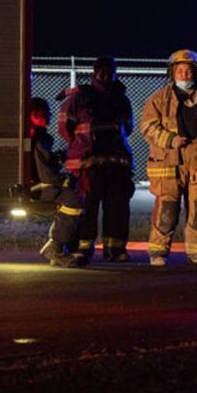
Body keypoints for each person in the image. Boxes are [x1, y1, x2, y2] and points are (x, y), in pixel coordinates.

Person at [141, 49, 197, 267]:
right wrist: (170, 139)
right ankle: (158, 251)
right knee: (168, 209)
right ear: (172, 73)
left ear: (196, 73)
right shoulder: (158, 99)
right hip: (170, 158)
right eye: (181, 71)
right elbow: (147, 127)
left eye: (189, 71)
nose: (185, 75)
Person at [58, 56, 134, 262]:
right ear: (94, 72)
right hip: (87, 164)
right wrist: (82, 145)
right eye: (101, 70)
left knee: (117, 206)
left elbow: (128, 127)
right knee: (87, 207)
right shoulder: (79, 98)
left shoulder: (121, 98)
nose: (105, 75)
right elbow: (65, 129)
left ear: (115, 72)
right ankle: (83, 248)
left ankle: (115, 249)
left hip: (115, 163)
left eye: (109, 70)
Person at [31, 98, 87, 268]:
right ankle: (55, 247)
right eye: (44, 112)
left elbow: (46, 164)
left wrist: (59, 157)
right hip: (37, 188)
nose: (49, 115)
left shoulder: (37, 136)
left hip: (37, 184)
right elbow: (46, 175)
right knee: (74, 199)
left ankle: (65, 247)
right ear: (33, 114)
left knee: (75, 194)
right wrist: (64, 180)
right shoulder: (38, 139)